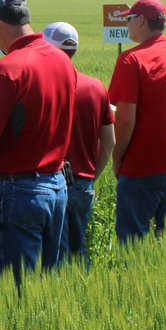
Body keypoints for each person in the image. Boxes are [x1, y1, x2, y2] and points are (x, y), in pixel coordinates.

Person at [0, 0, 75, 281]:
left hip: (19, 192)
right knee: (45, 284)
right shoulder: (62, 60)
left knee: (16, 292)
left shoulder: (5, 69)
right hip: (57, 186)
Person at [107, 0, 166, 242]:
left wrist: (117, 158)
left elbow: (125, 120)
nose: (127, 25)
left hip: (144, 163)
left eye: (129, 19)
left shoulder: (131, 59)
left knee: (132, 239)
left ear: (141, 21)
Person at [42, 21, 113, 266]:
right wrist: (92, 176)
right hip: (83, 183)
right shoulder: (96, 87)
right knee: (78, 249)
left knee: (55, 257)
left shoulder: (43, 86)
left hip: (51, 182)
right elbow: (109, 141)